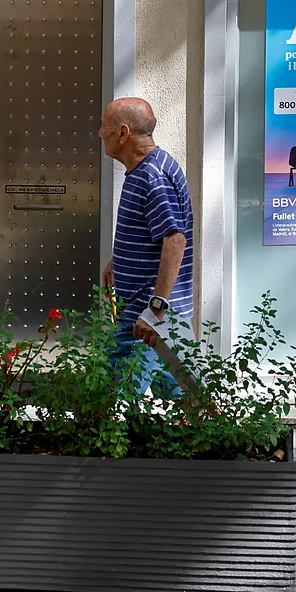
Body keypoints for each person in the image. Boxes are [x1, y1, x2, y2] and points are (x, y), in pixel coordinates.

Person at [98, 97, 195, 396]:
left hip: (147, 318)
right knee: (183, 405)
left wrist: (156, 310)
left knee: (115, 405)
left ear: (122, 133)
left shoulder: (153, 176)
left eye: (104, 126)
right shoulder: (146, 169)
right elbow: (153, 231)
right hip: (155, 314)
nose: (100, 132)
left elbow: (175, 240)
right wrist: (120, 259)